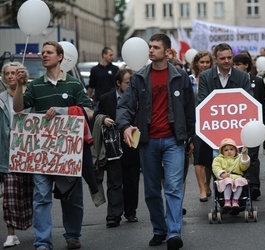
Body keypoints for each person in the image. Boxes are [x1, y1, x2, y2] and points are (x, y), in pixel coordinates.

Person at [116, 33, 195, 250]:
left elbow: (190, 110)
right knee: (151, 190)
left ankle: (174, 233)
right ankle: (159, 229)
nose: (150, 50)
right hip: (148, 141)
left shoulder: (180, 76)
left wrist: (190, 137)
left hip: (173, 141)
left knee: (173, 187)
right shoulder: (139, 77)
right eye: (149, 46)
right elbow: (124, 107)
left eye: (156, 47)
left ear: (168, 52)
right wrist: (125, 126)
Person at [13, 41, 93, 250]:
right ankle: (42, 241)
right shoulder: (35, 85)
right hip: (42, 153)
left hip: (68, 153)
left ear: (60, 57)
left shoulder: (74, 85)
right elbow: (19, 108)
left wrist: (62, 110)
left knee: (72, 197)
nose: (44, 55)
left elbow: (89, 112)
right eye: (43, 52)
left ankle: (73, 234)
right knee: (40, 197)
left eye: (49, 52)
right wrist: (20, 87)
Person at [197, 43, 251, 197]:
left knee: (239, 160)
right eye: (223, 58)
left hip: (238, 128)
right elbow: (202, 102)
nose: (227, 61)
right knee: (218, 161)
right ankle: (222, 195)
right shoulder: (206, 76)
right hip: (215, 129)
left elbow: (249, 100)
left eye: (229, 57)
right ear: (215, 59)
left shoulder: (241, 76)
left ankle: (240, 194)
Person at [94, 68, 140, 227]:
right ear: (118, 83)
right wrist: (104, 118)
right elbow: (96, 115)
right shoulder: (106, 98)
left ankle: (130, 211)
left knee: (131, 181)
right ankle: (113, 215)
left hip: (131, 145)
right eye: (127, 83)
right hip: (112, 147)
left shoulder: (138, 97)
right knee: (114, 181)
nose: (130, 86)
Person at [0, 62, 33, 248]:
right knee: (10, 195)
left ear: (22, 75)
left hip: (31, 153)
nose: (10, 76)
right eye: (7, 73)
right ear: (4, 77)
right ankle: (11, 233)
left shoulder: (31, 94)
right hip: (8, 153)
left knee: (32, 194)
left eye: (14, 73)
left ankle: (40, 229)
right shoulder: (1, 99)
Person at [233, 53, 265, 200]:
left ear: (246, 65)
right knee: (236, 156)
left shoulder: (258, 82)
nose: (235, 67)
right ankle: (238, 185)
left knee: (252, 155)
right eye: (234, 65)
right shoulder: (231, 81)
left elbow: (262, 106)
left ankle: (254, 186)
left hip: (253, 126)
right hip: (235, 125)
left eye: (238, 64)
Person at [189, 50, 214, 202]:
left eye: (207, 62)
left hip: (211, 123)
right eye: (202, 62)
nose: (205, 65)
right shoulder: (190, 80)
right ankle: (202, 189)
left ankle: (208, 183)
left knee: (210, 156)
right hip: (195, 123)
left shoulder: (214, 79)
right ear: (196, 64)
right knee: (197, 156)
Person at [212, 138, 250, 214]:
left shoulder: (239, 158)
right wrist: (222, 174)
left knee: (240, 181)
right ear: (222, 152)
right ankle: (227, 201)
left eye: (231, 149)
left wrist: (244, 154)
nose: (229, 152)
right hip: (223, 179)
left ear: (236, 150)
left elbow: (244, 167)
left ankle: (235, 201)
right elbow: (216, 168)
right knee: (228, 181)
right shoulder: (218, 159)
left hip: (236, 177)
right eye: (226, 150)